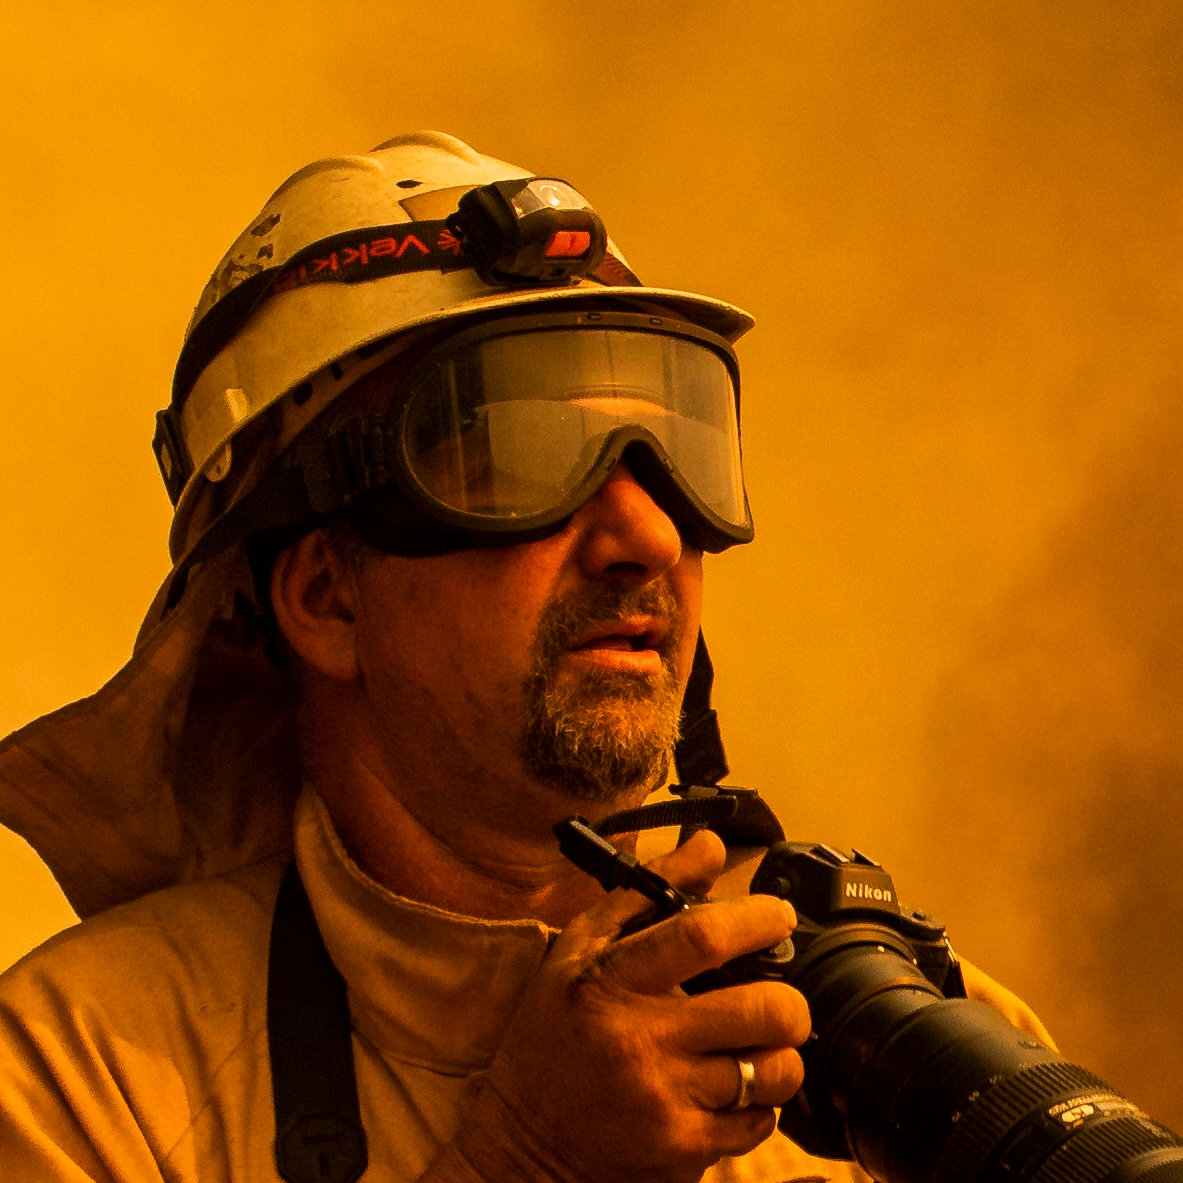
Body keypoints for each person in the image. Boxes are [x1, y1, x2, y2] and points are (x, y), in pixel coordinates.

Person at [0, 131, 1048, 1183]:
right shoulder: (87, 1079)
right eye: (518, 454)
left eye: (672, 449)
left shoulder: (901, 1056)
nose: (645, 536)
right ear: (325, 597)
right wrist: (528, 1161)